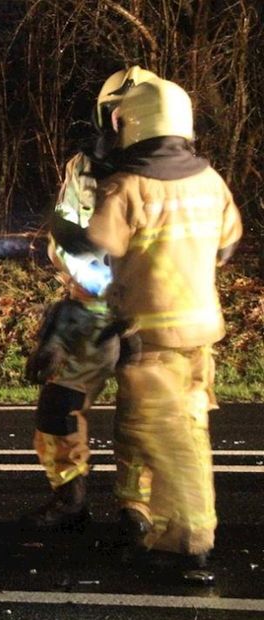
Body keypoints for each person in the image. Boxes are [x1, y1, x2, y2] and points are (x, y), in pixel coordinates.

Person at [87, 76, 242, 584]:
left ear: (132, 124)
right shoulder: (211, 181)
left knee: (173, 443)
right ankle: (139, 518)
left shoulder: (128, 186)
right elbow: (225, 244)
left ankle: (188, 543)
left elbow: (96, 252)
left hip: (150, 339)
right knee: (143, 427)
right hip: (200, 336)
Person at [21, 67, 157, 530]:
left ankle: (137, 509)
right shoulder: (82, 167)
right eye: (118, 113)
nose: (126, 123)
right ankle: (70, 501)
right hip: (91, 309)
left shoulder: (176, 175)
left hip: (151, 313)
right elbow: (63, 239)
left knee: (145, 418)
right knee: (58, 408)